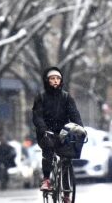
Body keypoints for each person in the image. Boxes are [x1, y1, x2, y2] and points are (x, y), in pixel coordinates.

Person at [31, 66, 82, 195]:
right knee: (48, 149)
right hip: (46, 133)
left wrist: (80, 128)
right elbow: (37, 117)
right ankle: (47, 179)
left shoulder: (66, 97)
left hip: (63, 132)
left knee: (66, 159)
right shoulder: (41, 98)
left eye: (57, 78)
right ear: (47, 81)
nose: (55, 81)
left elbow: (74, 114)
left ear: (61, 81)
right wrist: (43, 130)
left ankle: (66, 193)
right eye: (52, 78)